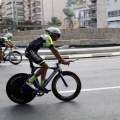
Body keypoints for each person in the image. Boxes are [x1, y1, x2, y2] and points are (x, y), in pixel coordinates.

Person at [25, 27, 70, 93]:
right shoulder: (48, 37)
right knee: (45, 66)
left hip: (31, 51)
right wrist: (62, 60)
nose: (58, 37)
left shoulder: (45, 37)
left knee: (45, 67)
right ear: (54, 35)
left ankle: (41, 86)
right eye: (58, 36)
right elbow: (54, 50)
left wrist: (60, 59)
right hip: (31, 52)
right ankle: (29, 81)